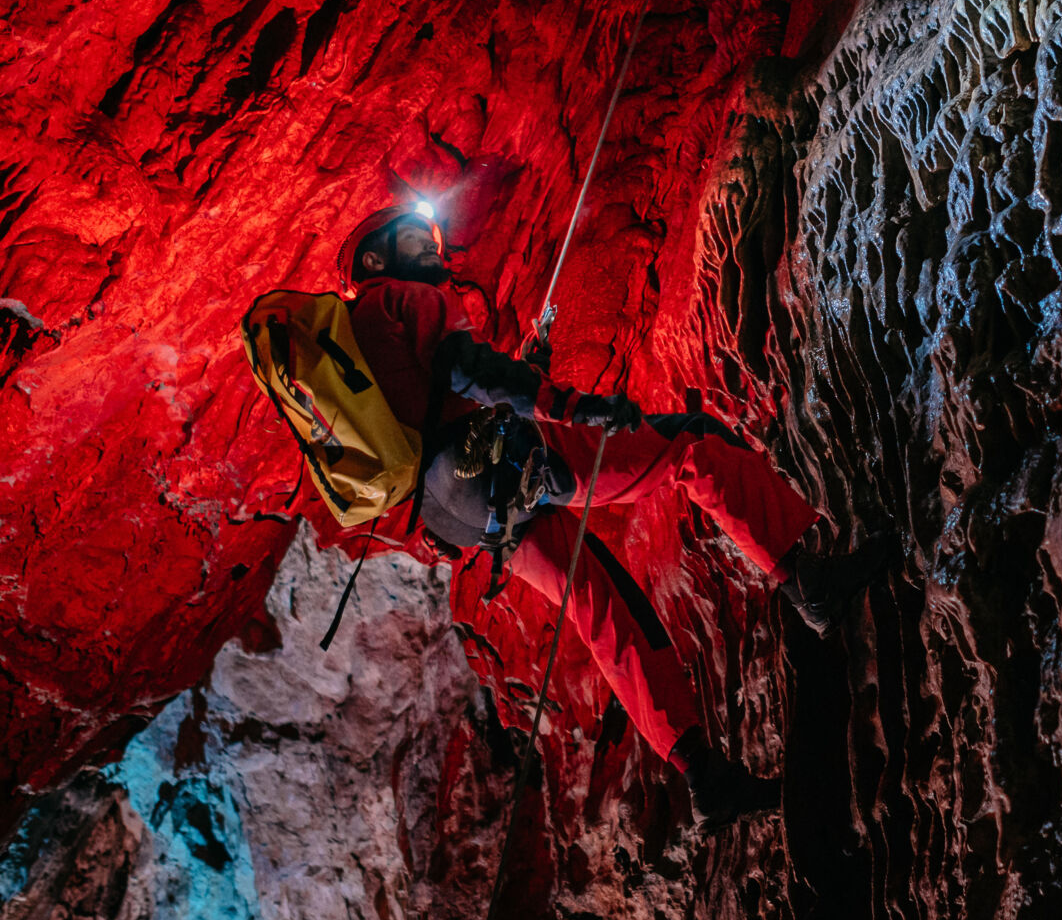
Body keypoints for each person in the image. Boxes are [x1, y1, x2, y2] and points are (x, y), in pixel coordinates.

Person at [338, 206, 888, 826]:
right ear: (375, 260)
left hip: (459, 511)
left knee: (603, 605)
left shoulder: (356, 343)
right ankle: (806, 580)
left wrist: (527, 375)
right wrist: (573, 406)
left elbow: (433, 401)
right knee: (691, 445)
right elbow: (470, 372)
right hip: (502, 462)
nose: (431, 247)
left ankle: (701, 773)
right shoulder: (402, 297)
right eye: (413, 238)